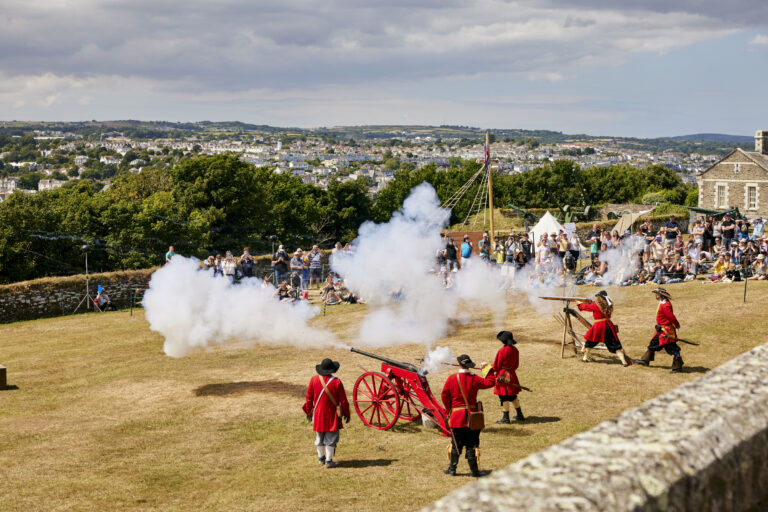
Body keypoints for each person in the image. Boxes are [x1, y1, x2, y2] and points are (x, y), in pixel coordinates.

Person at [441, 354, 496, 478]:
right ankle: (474, 471)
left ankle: (452, 469)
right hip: (472, 417)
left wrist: (449, 410)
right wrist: (489, 369)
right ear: (469, 365)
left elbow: (444, 395)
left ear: (459, 364)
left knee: (456, 443)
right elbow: (490, 382)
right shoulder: (474, 378)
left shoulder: (451, 378)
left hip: (456, 417)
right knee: (472, 443)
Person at [302, 358, 350, 468]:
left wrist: (309, 411)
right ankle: (328, 461)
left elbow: (308, 398)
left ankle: (321, 458)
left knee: (319, 436)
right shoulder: (337, 382)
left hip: (318, 413)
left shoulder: (314, 379)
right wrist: (347, 413)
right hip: (332, 414)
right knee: (331, 437)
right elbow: (343, 400)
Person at [576, 291, 640, 367]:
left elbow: (585, 307)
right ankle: (624, 362)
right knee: (615, 345)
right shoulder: (608, 305)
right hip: (608, 326)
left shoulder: (595, 305)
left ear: (599, 298)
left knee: (590, 342)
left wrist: (579, 303)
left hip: (599, 326)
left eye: (597, 297)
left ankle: (585, 358)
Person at [640, 288, 683, 373]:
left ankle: (678, 366)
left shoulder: (665, 305)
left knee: (672, 348)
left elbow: (671, 317)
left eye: (657, 293)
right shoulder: (662, 303)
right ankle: (645, 360)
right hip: (661, 329)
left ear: (662, 295)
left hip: (666, 331)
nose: (656, 295)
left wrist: (677, 325)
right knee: (653, 344)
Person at [492, 331, 524, 424]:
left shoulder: (502, 351)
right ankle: (520, 415)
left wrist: (488, 368)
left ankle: (506, 418)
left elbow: (496, 366)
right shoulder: (515, 350)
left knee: (504, 397)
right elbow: (516, 365)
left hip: (502, 375)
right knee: (513, 396)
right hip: (512, 374)